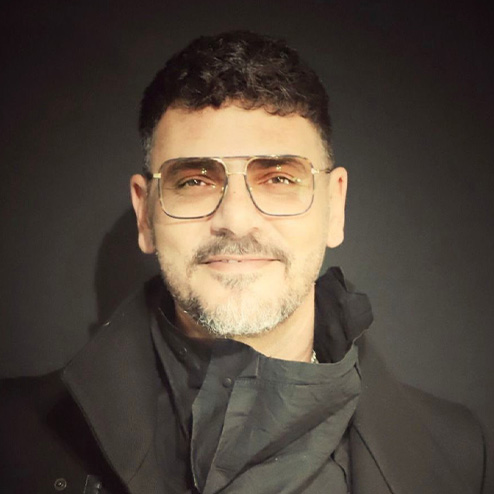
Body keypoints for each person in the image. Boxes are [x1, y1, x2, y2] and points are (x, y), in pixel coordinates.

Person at [0, 31, 487, 494]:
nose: (235, 220)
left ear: (335, 207)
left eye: (278, 178)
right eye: (194, 181)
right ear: (145, 215)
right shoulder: (14, 438)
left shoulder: (459, 456)